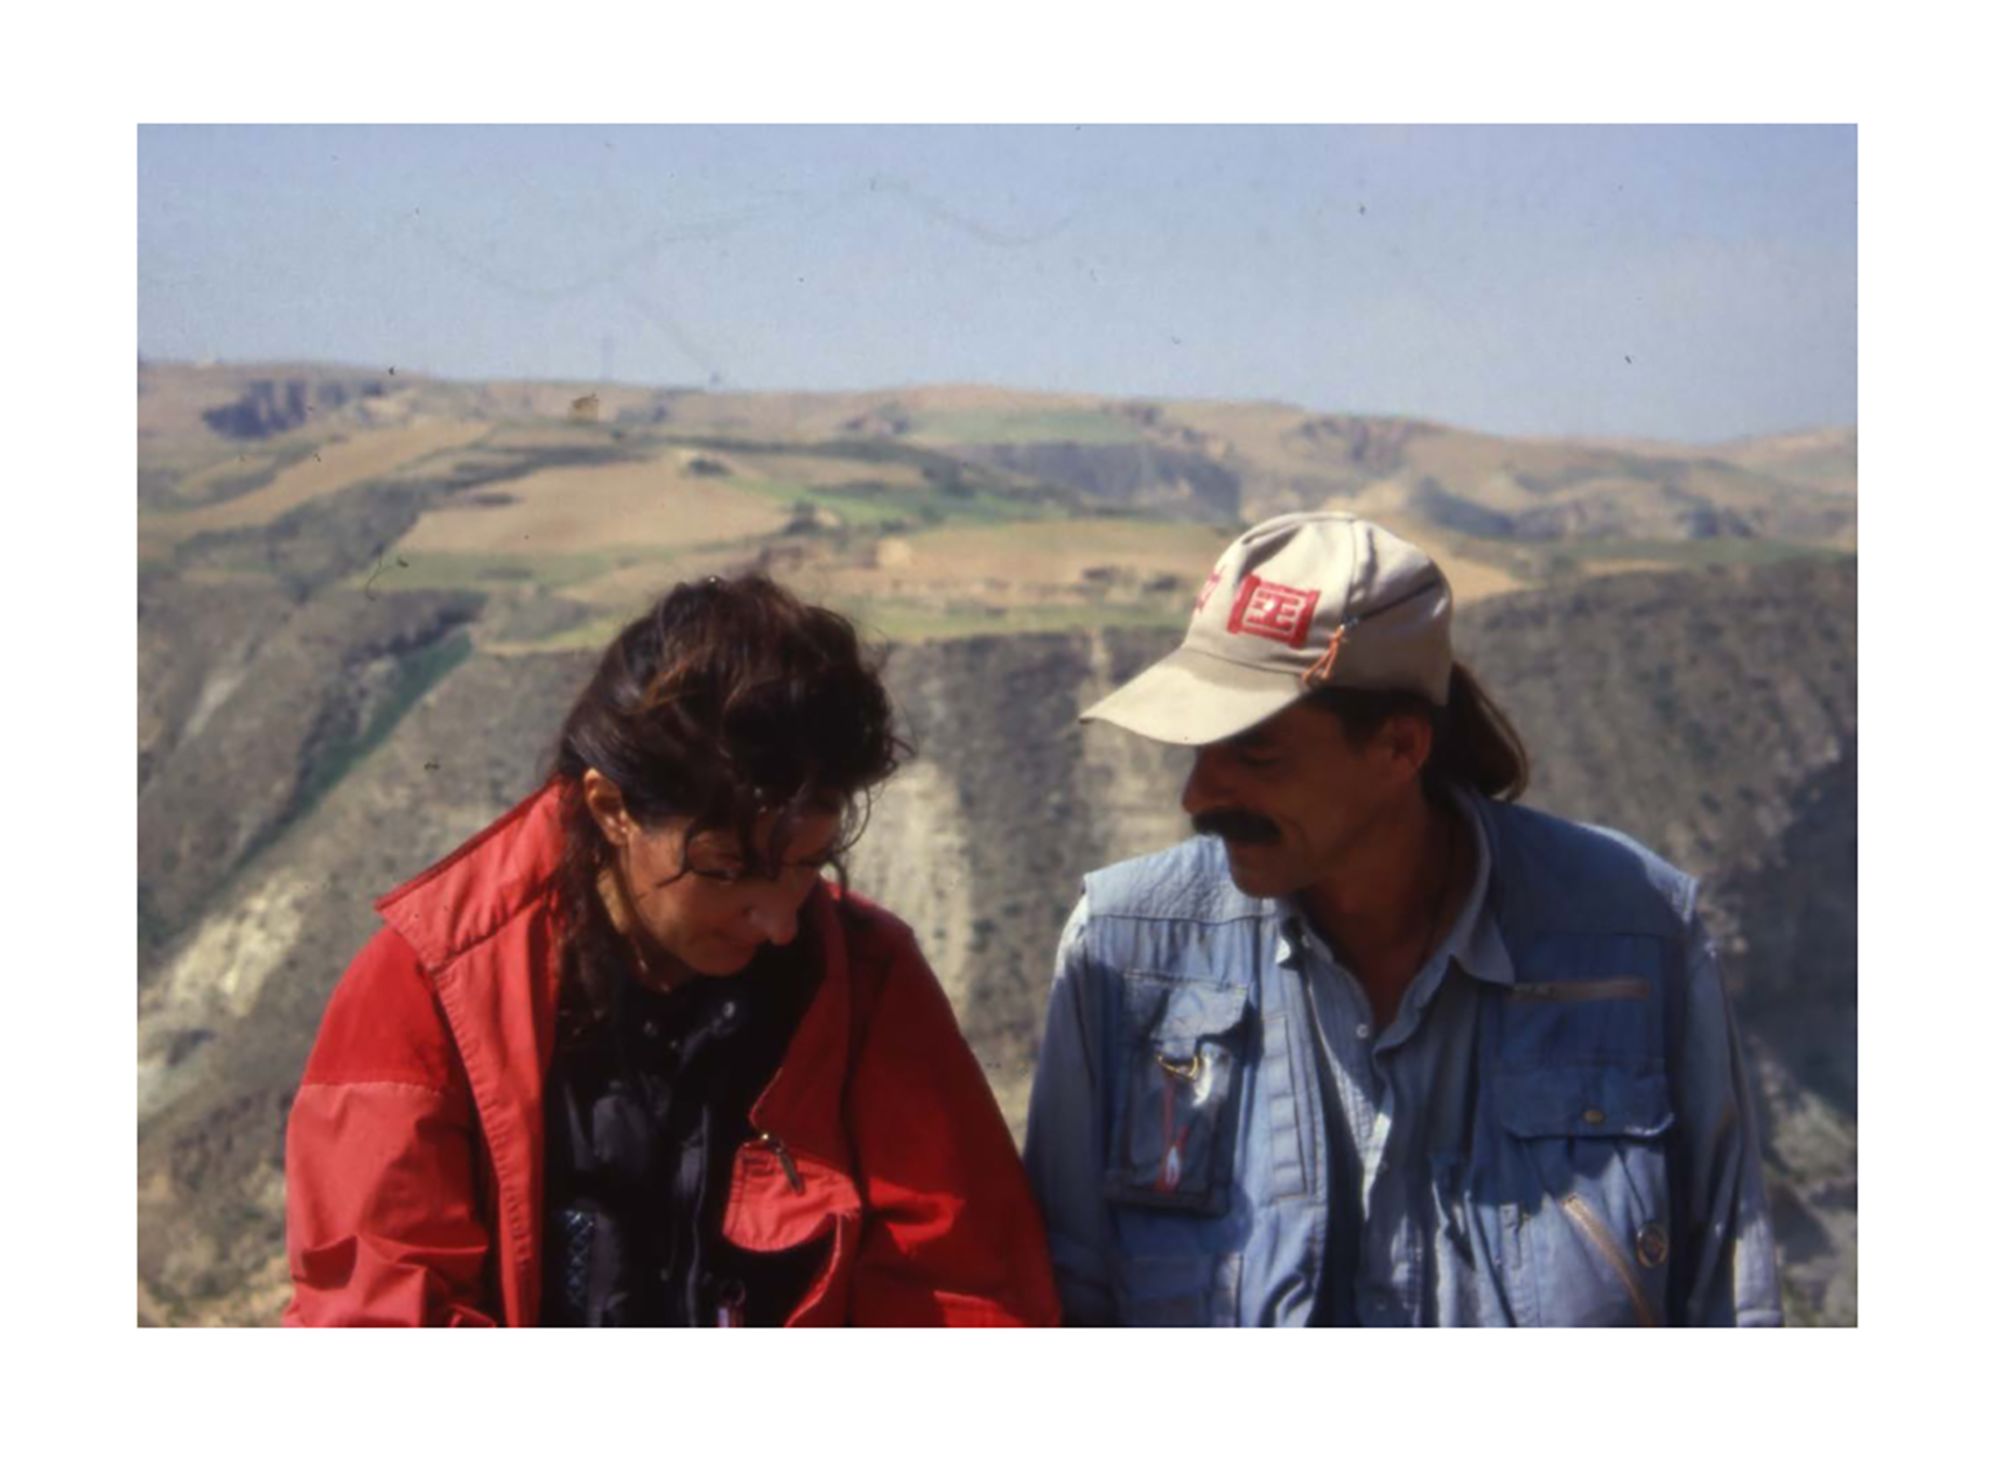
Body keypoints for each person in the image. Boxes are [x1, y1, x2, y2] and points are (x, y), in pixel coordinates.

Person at [1023, 511, 1780, 1326]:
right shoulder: (1122, 954)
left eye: (1256, 754)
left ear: (1400, 749)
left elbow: (1729, 1297)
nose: (1199, 796)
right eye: (1199, 748)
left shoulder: (1640, 936)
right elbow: (1064, 1301)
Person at [284, 574, 1059, 1326]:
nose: (781, 921)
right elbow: (377, 1314)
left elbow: (964, 1290)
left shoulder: (867, 980)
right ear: (610, 807)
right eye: (728, 871)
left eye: (808, 867)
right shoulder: (431, 988)